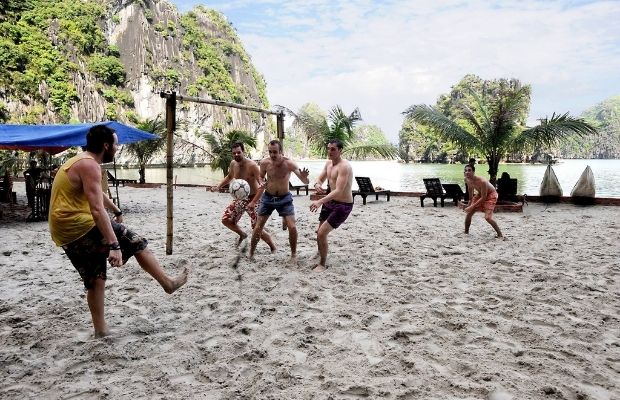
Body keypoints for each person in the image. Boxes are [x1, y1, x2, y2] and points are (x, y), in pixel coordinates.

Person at [48, 125, 188, 338]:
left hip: (63, 231)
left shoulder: (80, 161)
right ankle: (168, 283)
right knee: (137, 242)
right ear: (106, 146)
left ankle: (101, 330)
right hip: (80, 225)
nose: (118, 147)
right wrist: (114, 245)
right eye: (116, 144)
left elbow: (98, 193)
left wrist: (116, 210)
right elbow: (96, 210)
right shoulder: (90, 166)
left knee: (96, 277)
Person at [248, 140, 309, 263]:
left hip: (284, 198)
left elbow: (305, 182)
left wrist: (304, 177)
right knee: (258, 226)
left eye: (275, 152)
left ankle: (293, 255)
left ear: (281, 151)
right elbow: (260, 176)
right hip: (268, 198)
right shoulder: (265, 163)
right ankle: (251, 253)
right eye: (270, 152)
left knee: (292, 227)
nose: (272, 155)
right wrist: (261, 181)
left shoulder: (289, 164)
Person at [210, 142, 275, 250]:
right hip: (240, 198)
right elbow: (230, 176)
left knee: (256, 227)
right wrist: (218, 186)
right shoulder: (233, 164)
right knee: (226, 220)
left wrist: (253, 202)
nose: (236, 155)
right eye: (234, 153)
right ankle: (242, 234)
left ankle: (272, 247)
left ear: (243, 152)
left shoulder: (252, 165)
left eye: (238, 152)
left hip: (254, 198)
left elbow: (261, 185)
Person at [309, 139, 354, 272]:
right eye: (328, 148)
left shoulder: (344, 166)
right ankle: (320, 252)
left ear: (340, 151)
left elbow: (338, 190)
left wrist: (319, 201)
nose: (330, 151)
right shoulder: (328, 164)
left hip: (343, 205)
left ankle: (322, 264)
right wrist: (317, 185)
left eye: (333, 149)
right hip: (330, 202)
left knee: (322, 233)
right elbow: (319, 179)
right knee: (319, 232)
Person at [463, 164, 504, 239]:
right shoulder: (467, 179)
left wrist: (471, 206)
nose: (467, 172)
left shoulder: (482, 181)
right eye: (465, 171)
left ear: (473, 172)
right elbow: (470, 189)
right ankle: (466, 232)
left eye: (469, 170)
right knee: (469, 213)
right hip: (481, 194)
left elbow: (484, 197)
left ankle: (500, 234)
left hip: (491, 195)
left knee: (488, 217)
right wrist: (470, 200)